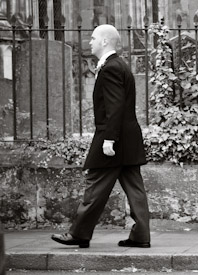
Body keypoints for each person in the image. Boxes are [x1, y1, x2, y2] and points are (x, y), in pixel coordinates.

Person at [51, 24, 151, 248]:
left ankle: (79, 234)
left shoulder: (111, 68)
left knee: (95, 184)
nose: (90, 41)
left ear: (105, 41)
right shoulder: (118, 65)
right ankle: (141, 236)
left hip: (114, 139)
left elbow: (114, 107)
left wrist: (108, 139)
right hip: (127, 139)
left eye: (94, 38)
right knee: (134, 188)